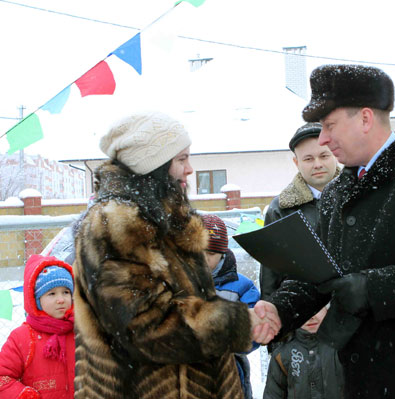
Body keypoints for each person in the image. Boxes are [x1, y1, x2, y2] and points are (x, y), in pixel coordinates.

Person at [252, 64, 395, 398]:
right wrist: (280, 308)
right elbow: (323, 275)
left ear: (364, 118)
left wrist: (371, 288)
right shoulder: (337, 192)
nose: (323, 139)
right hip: (362, 380)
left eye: (329, 126)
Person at [72, 112, 274, 399]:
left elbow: (191, 305)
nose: (190, 169)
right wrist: (237, 323)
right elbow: (146, 326)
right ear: (151, 163)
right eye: (181, 159)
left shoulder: (169, 219)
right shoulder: (114, 225)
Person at [259, 122, 340, 301]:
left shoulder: (359, 197)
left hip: (352, 312)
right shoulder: (281, 209)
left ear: (335, 154)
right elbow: (271, 275)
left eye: (324, 156)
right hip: (301, 316)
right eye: (308, 159)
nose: (317, 164)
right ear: (296, 162)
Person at [201, 213, 261, 399]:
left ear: (222, 254)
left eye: (210, 253)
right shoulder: (178, 285)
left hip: (230, 377)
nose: (203, 259)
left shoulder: (243, 287)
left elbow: (253, 334)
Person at [0, 254, 75, 399]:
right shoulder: (22, 337)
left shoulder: (81, 332)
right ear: (37, 300)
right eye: (51, 294)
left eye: (66, 292)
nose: (61, 299)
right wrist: (25, 396)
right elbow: (2, 377)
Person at [263, 305, 344, 399]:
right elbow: (273, 393)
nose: (311, 317)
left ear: (327, 309)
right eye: (303, 310)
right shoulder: (283, 353)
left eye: (317, 309)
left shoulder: (344, 346)